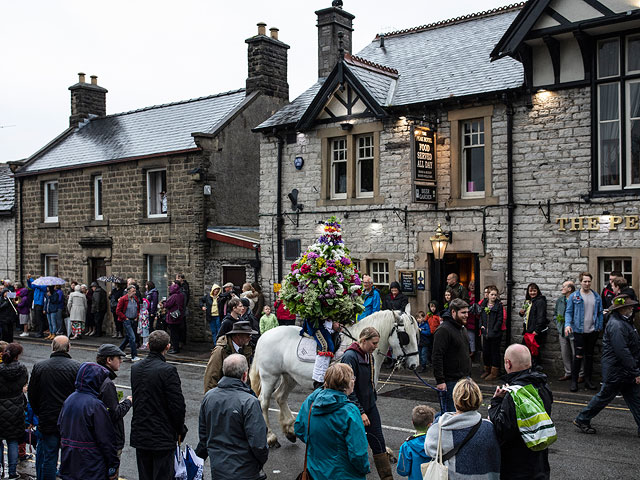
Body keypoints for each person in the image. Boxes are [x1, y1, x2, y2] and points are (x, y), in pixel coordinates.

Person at [574, 294, 640, 437]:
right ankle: (582, 418)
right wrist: (636, 372)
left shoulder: (624, 321)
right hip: (617, 370)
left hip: (623, 370)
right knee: (605, 396)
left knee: (635, 398)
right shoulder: (617, 325)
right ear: (621, 309)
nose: (631, 308)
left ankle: (582, 419)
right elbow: (622, 351)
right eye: (629, 306)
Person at [197, 354, 268, 480]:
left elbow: (204, 435)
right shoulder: (249, 402)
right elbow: (258, 443)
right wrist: (259, 463)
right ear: (245, 375)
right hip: (245, 471)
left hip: (218, 469)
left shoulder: (209, 397)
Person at [294, 363, 370, 480]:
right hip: (345, 474)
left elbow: (299, 429)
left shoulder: (312, 401)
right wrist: (364, 469)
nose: (354, 381)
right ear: (347, 384)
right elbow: (358, 453)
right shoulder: (350, 411)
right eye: (352, 378)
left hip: (315, 472)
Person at [489, 344, 553, 479]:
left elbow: (502, 429)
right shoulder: (543, 386)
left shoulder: (514, 393)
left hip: (517, 466)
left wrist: (496, 403)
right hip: (539, 462)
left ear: (508, 363)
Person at [130, 330, 187, 480]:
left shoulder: (135, 369)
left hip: (141, 434)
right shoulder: (168, 371)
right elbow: (177, 406)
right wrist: (180, 429)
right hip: (161, 436)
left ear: (148, 345)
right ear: (167, 347)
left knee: (145, 475)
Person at [341, 327, 392, 480]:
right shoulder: (350, 357)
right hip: (356, 410)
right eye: (374, 343)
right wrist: (360, 411)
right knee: (356, 447)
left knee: (379, 443)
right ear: (363, 341)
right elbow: (349, 389)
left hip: (370, 406)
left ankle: (387, 477)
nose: (376, 346)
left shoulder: (369, 355)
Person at [425, 378, 501, 479]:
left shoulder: (440, 428)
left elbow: (429, 450)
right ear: (478, 399)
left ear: (455, 399)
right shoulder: (489, 427)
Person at [28, 336, 81, 480]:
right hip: (69, 421)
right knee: (68, 457)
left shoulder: (40, 367)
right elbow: (79, 395)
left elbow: (32, 395)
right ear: (69, 348)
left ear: (52, 347)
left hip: (47, 419)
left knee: (49, 458)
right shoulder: (77, 367)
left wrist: (40, 413)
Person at [58, 362, 119, 480]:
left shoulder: (69, 399)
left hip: (69, 459)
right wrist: (113, 465)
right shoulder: (95, 405)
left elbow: (60, 426)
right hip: (91, 464)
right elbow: (106, 439)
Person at [95, 344, 132, 474]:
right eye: (118, 358)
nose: (121, 361)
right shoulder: (107, 383)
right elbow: (114, 413)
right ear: (109, 360)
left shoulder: (96, 377)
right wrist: (128, 402)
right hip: (111, 441)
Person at [565, 272, 603, 392]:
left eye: (589, 281)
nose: (587, 283)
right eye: (584, 281)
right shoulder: (574, 296)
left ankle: (588, 381)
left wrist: (599, 326)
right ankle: (574, 382)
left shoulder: (596, 296)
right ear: (580, 282)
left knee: (590, 356)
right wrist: (567, 325)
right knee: (578, 356)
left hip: (592, 331)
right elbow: (568, 312)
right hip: (578, 331)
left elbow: (600, 313)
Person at [432, 298, 472, 412]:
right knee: (450, 416)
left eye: (467, 312)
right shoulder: (443, 330)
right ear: (453, 312)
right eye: (463, 313)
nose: (466, 315)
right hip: (450, 383)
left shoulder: (462, 328)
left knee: (464, 415)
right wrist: (440, 381)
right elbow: (437, 356)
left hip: (464, 380)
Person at [0, 343, 29, 480]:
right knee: (12, 441)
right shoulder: (22, 369)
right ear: (17, 355)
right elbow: (24, 383)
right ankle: (12, 472)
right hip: (16, 407)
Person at [203, 320, 255, 392]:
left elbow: (246, 377)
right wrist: (213, 399)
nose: (250, 338)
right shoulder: (220, 351)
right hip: (223, 395)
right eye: (248, 335)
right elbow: (211, 377)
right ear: (238, 335)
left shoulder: (246, 349)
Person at [397, 405, 434, 480]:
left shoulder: (407, 446)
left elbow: (403, 471)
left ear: (412, 423)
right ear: (430, 424)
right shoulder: (437, 443)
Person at [519, 283, 548, 370]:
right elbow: (523, 314)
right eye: (531, 291)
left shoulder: (540, 302)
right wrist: (521, 313)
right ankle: (530, 369)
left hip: (534, 331)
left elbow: (541, 317)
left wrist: (537, 330)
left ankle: (536, 370)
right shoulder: (528, 302)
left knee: (534, 352)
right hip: (527, 330)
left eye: (534, 291)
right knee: (527, 351)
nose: (532, 293)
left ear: (538, 291)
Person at [554, 280, 578, 381]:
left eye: (564, 286)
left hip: (574, 330)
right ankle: (568, 372)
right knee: (565, 353)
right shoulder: (560, 300)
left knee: (576, 353)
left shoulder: (577, 299)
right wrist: (558, 324)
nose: (561, 288)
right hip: (562, 330)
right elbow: (555, 313)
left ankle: (579, 374)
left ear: (570, 289)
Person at [480, 286, 505, 381]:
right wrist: (481, 326)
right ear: (488, 295)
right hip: (485, 333)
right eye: (492, 294)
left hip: (495, 334)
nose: (493, 296)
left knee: (494, 352)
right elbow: (481, 317)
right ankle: (487, 369)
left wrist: (494, 330)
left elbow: (500, 319)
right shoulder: (484, 304)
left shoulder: (498, 306)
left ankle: (494, 372)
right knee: (486, 352)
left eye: (495, 295)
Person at [116, 285, 140, 361]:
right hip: (127, 320)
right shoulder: (123, 299)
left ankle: (117, 352)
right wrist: (125, 318)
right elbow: (118, 311)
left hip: (134, 320)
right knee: (132, 337)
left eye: (135, 291)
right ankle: (134, 356)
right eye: (133, 291)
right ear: (128, 291)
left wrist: (137, 316)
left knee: (128, 338)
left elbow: (138, 308)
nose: (134, 293)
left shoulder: (135, 298)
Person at [162, 282, 185, 354]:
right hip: (179, 316)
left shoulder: (174, 296)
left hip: (173, 317)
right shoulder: (181, 295)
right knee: (177, 333)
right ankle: (176, 347)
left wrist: (164, 303)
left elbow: (167, 305)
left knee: (174, 334)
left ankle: (175, 348)